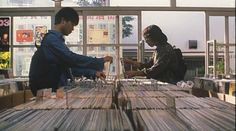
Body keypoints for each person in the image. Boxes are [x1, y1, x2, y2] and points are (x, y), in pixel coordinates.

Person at [29, 7, 112, 96]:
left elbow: (68, 68)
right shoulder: (52, 40)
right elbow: (71, 58)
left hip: (51, 90)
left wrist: (94, 73)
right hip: (47, 91)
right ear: (63, 21)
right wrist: (100, 61)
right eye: (72, 24)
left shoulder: (56, 40)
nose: (72, 29)